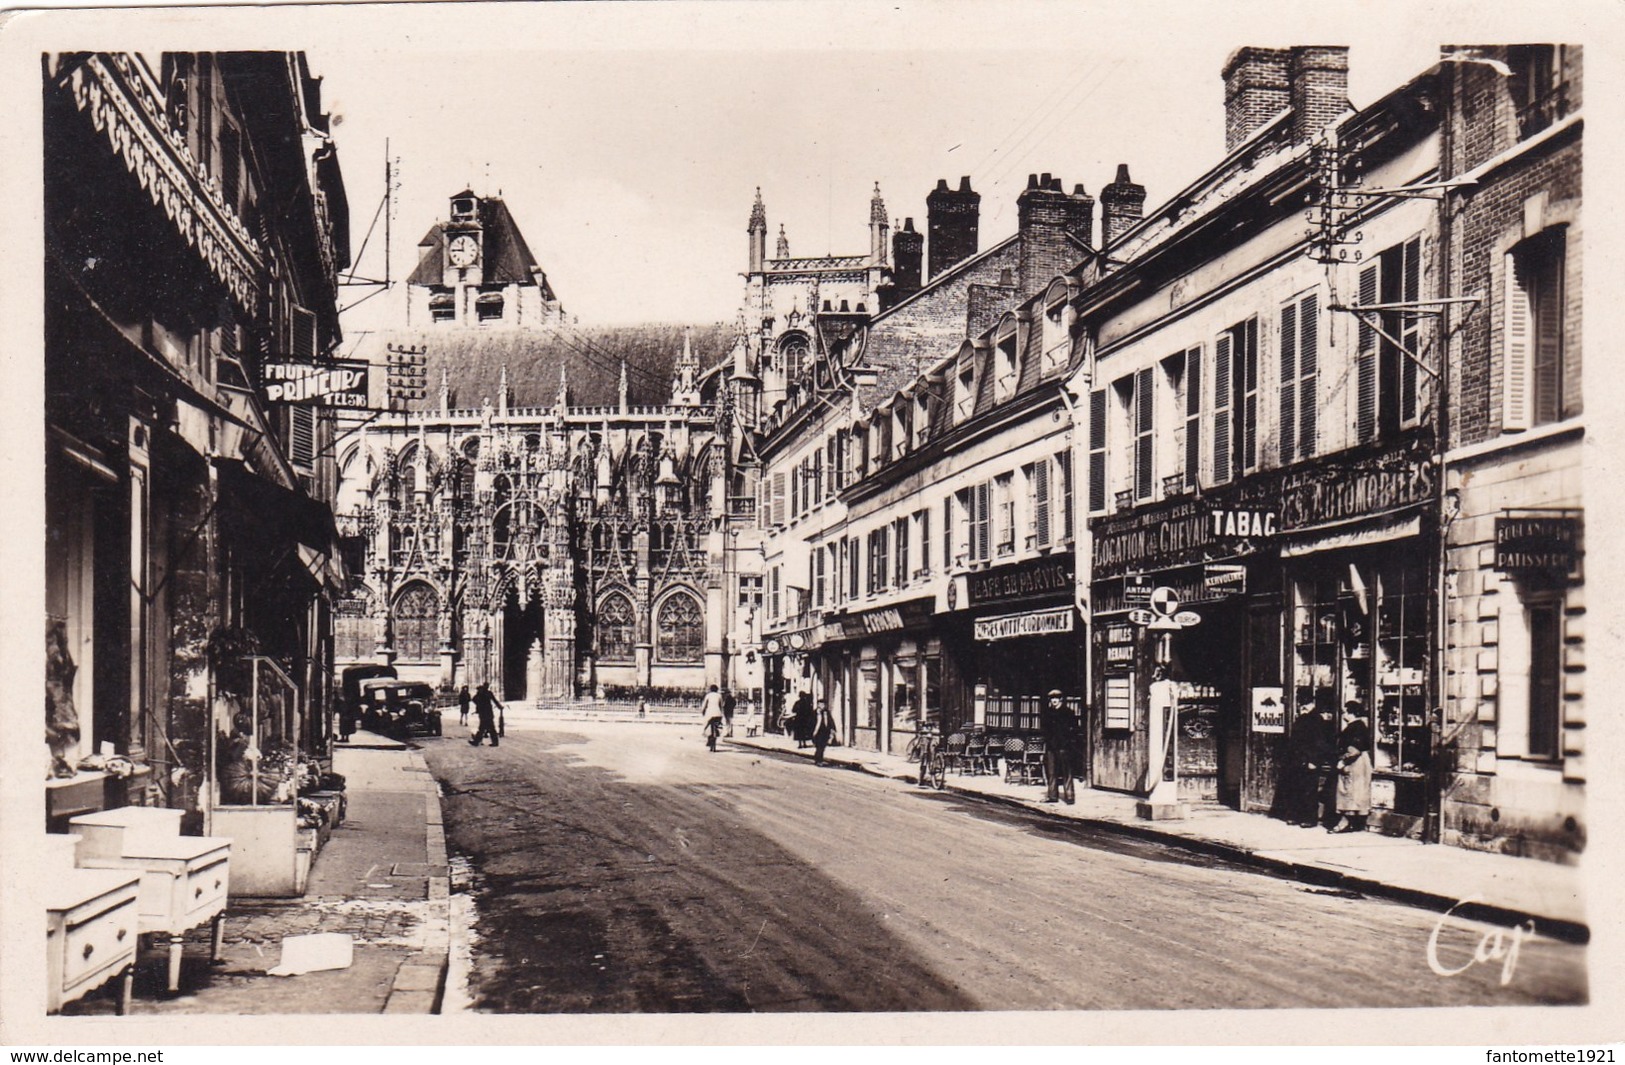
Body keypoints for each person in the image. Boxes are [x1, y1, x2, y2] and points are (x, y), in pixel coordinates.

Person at [1282, 699, 1336, 827]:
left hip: (1309, 760)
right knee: (1297, 789)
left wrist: (1314, 761)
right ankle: (1297, 816)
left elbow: (1320, 744)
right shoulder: (1304, 718)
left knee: (1309, 790)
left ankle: (1309, 818)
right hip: (1299, 760)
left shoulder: (1316, 720)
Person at [1330, 700, 1372, 833]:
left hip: (1354, 762)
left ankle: (1345, 822)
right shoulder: (1360, 726)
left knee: (1347, 790)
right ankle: (1354, 823)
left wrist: (1343, 761)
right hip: (1360, 762)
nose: (1343, 715)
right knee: (1356, 792)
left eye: (1344, 712)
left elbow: (1354, 750)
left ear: (1350, 713)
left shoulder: (1354, 727)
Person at [1039, 689, 1077, 804]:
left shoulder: (1068, 712)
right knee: (1052, 772)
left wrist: (1068, 742)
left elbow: (1073, 729)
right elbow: (1045, 730)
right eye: (1052, 698)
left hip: (1064, 746)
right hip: (1051, 746)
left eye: (1056, 698)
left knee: (1067, 772)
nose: (1054, 700)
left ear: (1061, 699)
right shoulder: (1048, 713)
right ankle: (1052, 796)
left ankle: (1069, 796)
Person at [470, 682, 502, 747]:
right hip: (488, 713)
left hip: (483, 713)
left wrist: (479, 705)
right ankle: (495, 742)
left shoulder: (481, 693)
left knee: (482, 728)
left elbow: (473, 699)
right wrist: (499, 707)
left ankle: (476, 742)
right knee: (490, 728)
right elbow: (495, 701)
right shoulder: (488, 693)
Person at [700, 684, 725, 751]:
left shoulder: (708, 695)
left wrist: (702, 712)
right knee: (718, 727)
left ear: (710, 689)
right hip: (718, 714)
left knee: (706, 726)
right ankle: (717, 735)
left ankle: (708, 738)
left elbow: (704, 706)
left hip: (710, 714)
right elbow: (721, 706)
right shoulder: (719, 696)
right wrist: (721, 714)